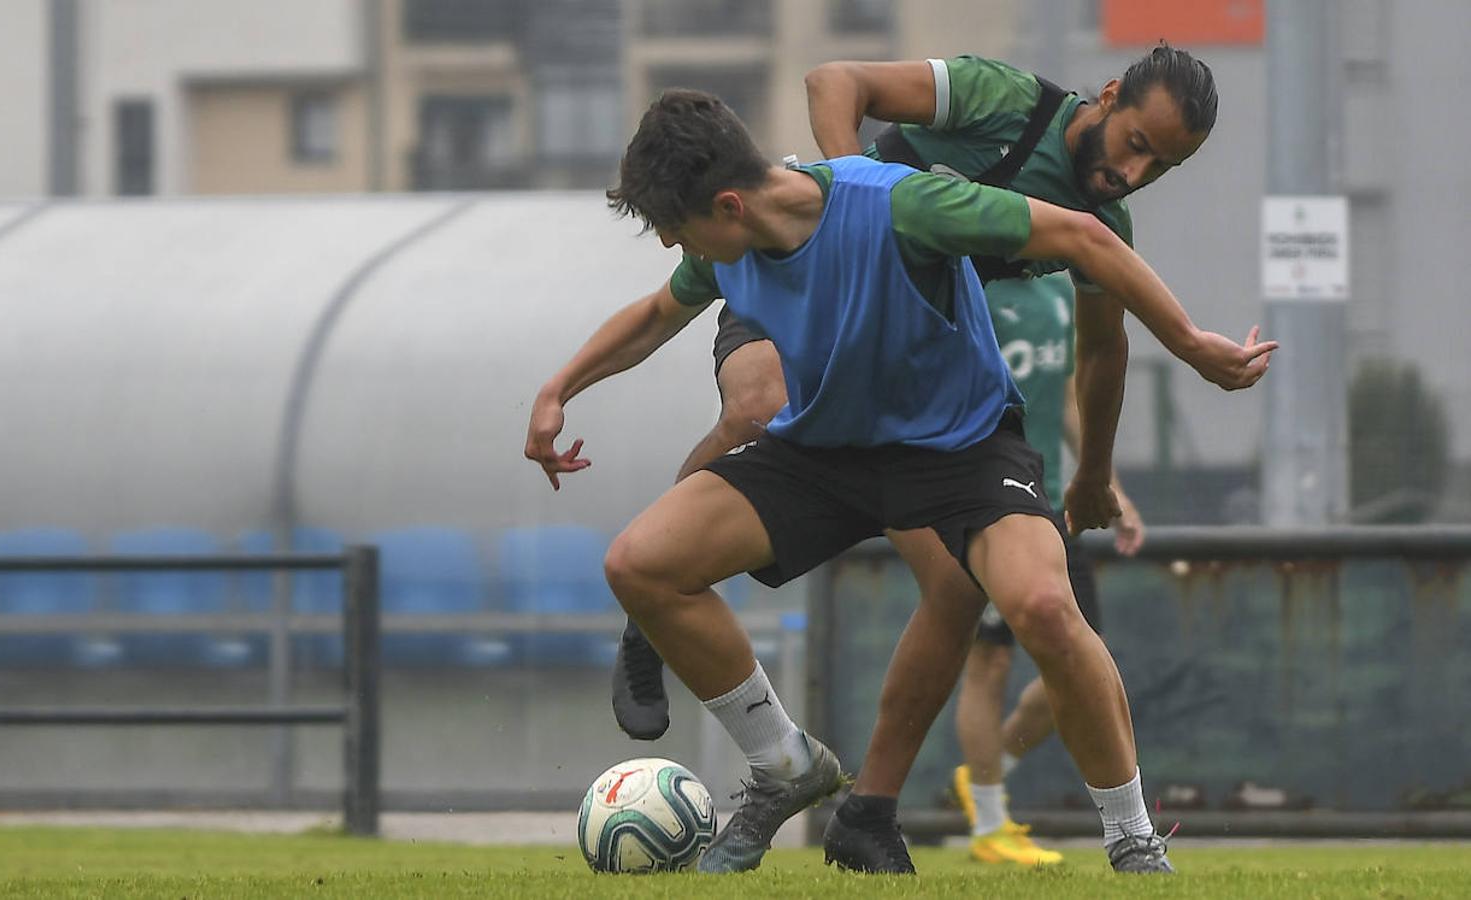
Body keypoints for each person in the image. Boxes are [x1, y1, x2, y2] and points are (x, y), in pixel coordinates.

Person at [526, 88, 1273, 873]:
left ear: (728, 203)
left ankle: (1130, 839)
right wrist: (557, 390)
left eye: (677, 230)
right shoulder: (723, 250)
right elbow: (653, 315)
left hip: (960, 448)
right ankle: (783, 765)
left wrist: (1192, 345)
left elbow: (1084, 236)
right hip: (824, 452)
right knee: (639, 563)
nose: (675, 247)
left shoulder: (901, 206)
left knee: (1045, 606)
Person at [612, 45, 1250, 746]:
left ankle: (870, 808)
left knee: (954, 588)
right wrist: (846, 204)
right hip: (799, 263)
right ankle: (647, 618)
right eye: (1136, 145)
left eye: (1160, 167)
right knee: (756, 407)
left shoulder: (1097, 225)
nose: (1134, 174)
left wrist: (1095, 475)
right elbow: (834, 80)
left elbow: (1101, 351)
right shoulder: (1003, 99)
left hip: (887, 353)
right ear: (1107, 97)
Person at [946, 273, 1146, 867]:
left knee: (1085, 662)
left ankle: (990, 770)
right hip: (988, 506)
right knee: (990, 660)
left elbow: (1064, 396)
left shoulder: (1062, 294)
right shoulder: (968, 286)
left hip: (1054, 510)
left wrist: (1109, 482)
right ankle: (988, 824)